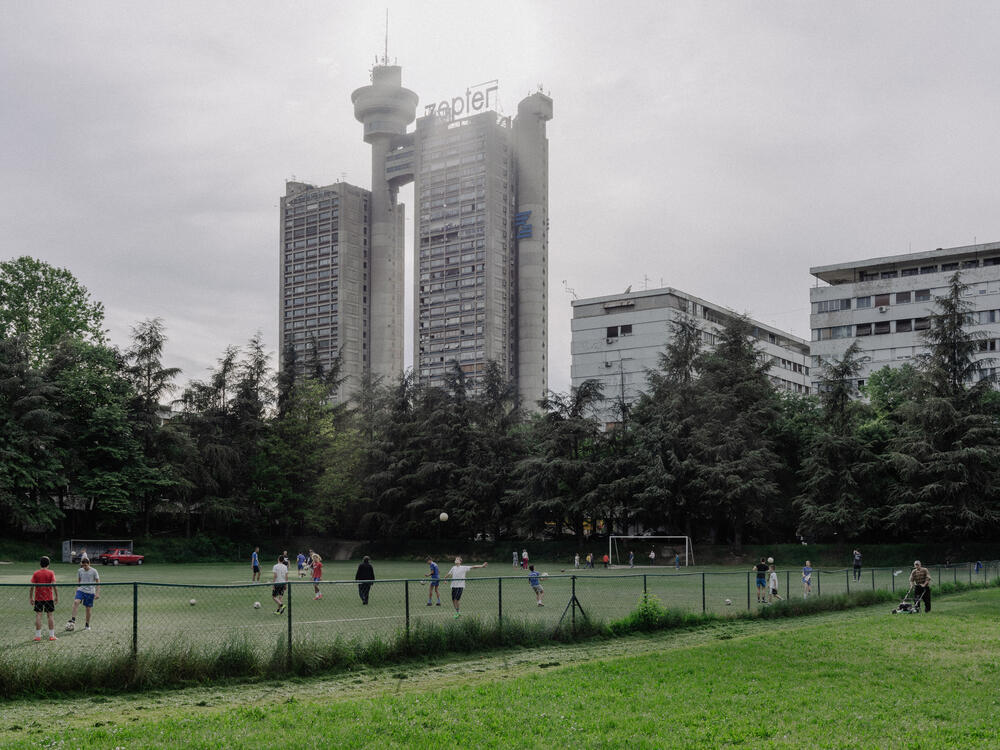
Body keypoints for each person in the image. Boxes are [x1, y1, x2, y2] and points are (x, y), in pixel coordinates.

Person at [67, 557, 100, 631]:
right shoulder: (80, 570)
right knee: (76, 602)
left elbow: (98, 583)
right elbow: (79, 581)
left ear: (89, 564)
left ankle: (87, 625)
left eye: (86, 565)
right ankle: (73, 620)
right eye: (83, 565)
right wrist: (77, 590)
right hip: (81, 590)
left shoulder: (94, 571)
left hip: (90, 592)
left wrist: (97, 593)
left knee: (88, 609)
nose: (84, 567)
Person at [30, 556, 59, 642]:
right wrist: (57, 596)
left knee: (38, 615)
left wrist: (31, 597)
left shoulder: (36, 573)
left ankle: (38, 636)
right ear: (48, 564)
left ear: (40, 564)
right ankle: (52, 635)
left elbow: (32, 586)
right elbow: (54, 585)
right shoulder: (51, 573)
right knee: (50, 615)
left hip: (38, 598)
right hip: (49, 597)